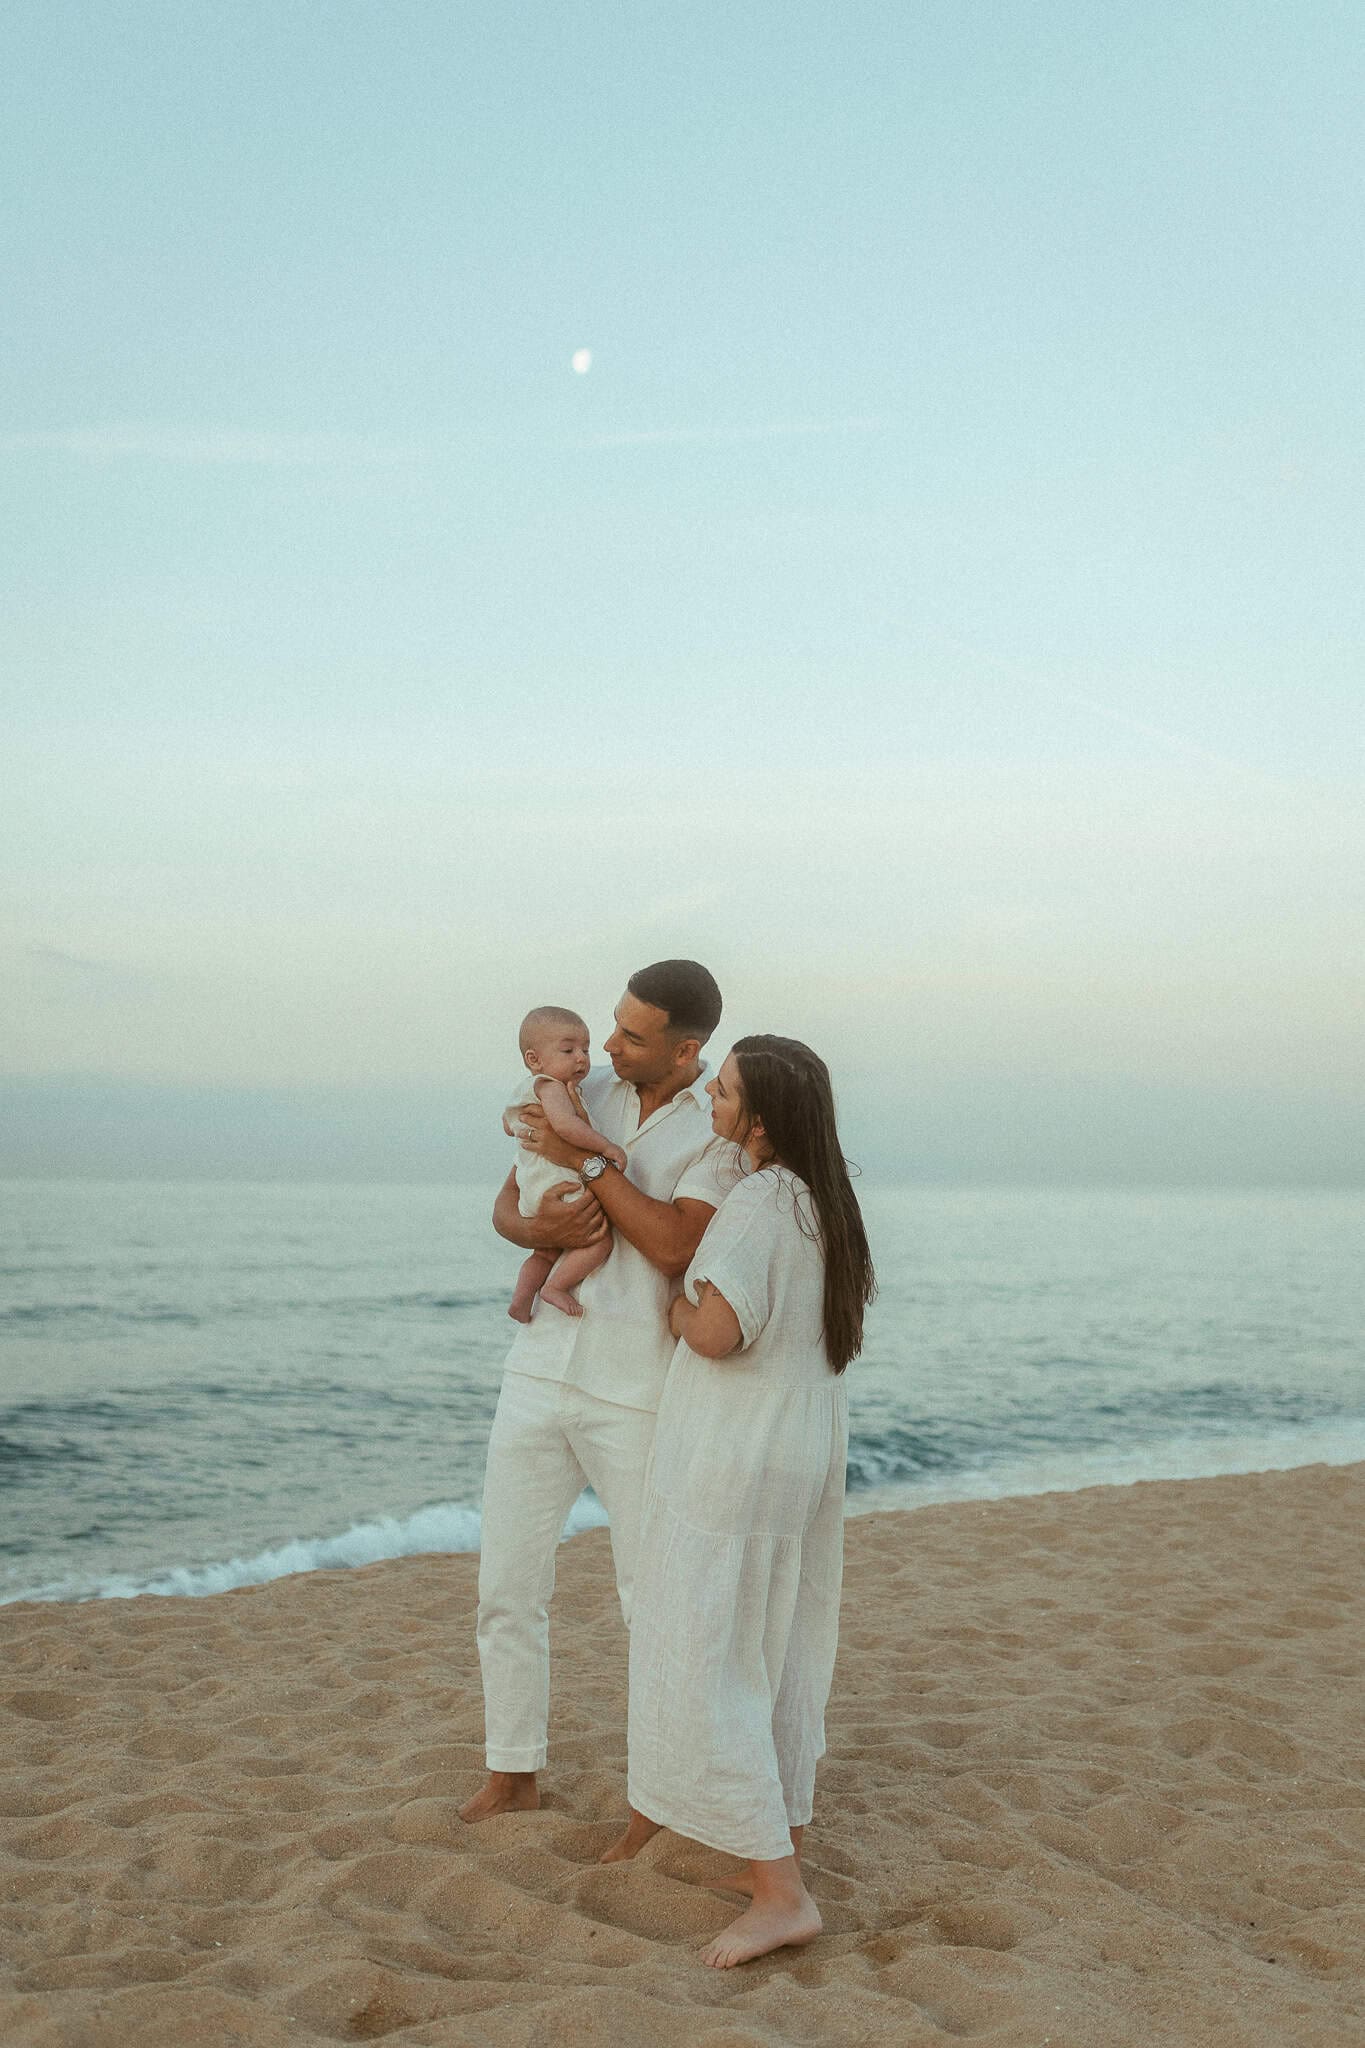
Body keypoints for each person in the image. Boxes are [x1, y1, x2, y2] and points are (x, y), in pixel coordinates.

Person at [600, 1035, 876, 1970]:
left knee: (706, 1650)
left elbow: (718, 1333)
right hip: (797, 1451)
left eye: (722, 1095)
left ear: (761, 1119)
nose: (711, 1104)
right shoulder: (821, 1201)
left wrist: (675, 1309)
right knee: (771, 1643)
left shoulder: (760, 1205)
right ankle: (771, 1848)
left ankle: (779, 1893)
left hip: (738, 1453)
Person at [460, 959, 737, 1825]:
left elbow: (672, 1247)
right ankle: (512, 1772)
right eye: (610, 1027)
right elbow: (509, 1207)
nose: (610, 1046)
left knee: (646, 1601)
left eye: (632, 1035)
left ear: (687, 1049)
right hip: (540, 1370)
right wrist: (535, 1225)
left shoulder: (717, 1136)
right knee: (505, 1585)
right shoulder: (583, 1090)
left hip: (636, 1391)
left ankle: (656, 1798)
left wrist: (590, 1166)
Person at [503, 1006, 627, 1322]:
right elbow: (566, 1127)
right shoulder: (552, 1087)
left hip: (532, 1190)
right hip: (557, 1183)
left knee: (544, 1252)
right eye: (568, 1050)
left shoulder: (525, 1089)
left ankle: (521, 1298)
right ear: (535, 1059)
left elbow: (507, 1124)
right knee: (598, 1242)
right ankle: (555, 1287)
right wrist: (606, 1145)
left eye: (585, 1049)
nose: (581, 1058)